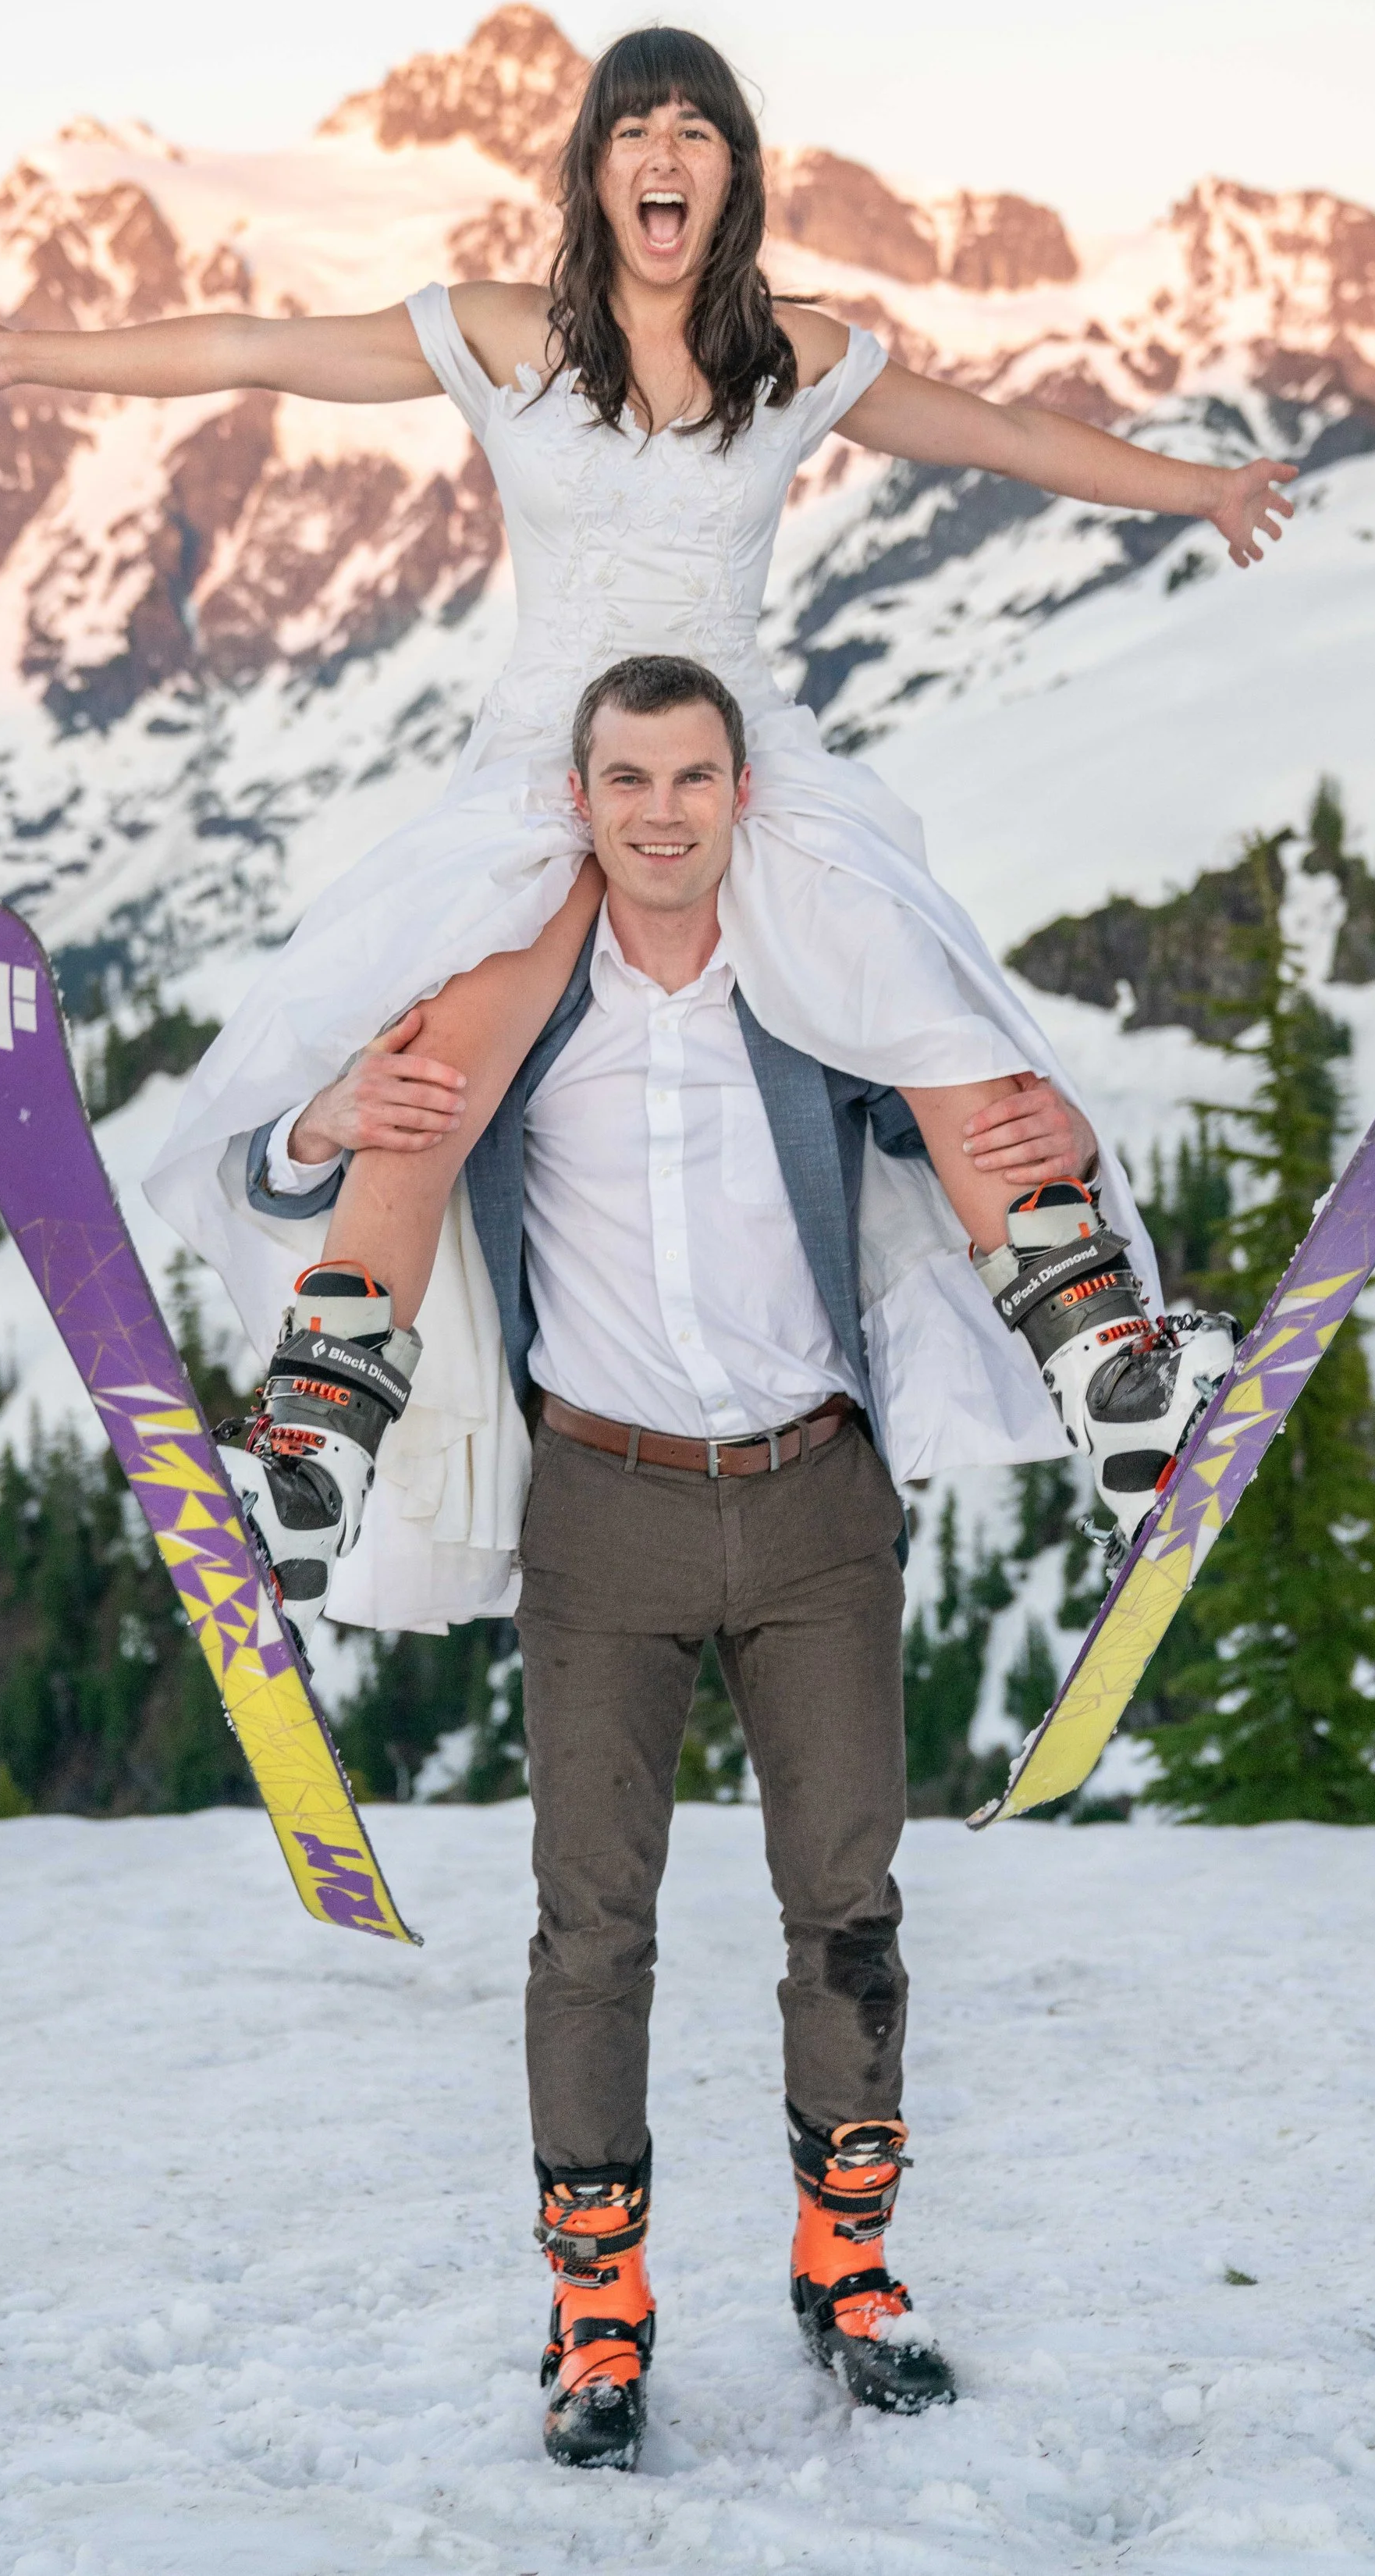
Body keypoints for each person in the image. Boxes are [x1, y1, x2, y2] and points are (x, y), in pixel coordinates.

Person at [0, 22, 1286, 1634]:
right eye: (635, 127)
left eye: (695, 128)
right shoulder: (503, 337)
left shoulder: (794, 351)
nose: (663, 154)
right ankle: (313, 1450)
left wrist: (1194, 492)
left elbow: (1009, 435)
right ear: (594, 168)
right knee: (435, 1051)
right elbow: (257, 344)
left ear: (731, 172)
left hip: (739, 750)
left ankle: (1105, 1370)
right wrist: (24, 358)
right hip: (548, 762)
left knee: (913, 990)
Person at [247, 650, 1115, 2464]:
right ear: (582, 799)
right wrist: (311, 1126)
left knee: (846, 1904)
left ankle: (849, 2273)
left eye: (691, 778)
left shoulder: (810, 995)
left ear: (740, 793)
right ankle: (596, 2312)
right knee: (591, 1926)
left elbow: (964, 1117)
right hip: (600, 1508)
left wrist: (1068, 1138)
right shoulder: (519, 1010)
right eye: (627, 779)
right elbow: (290, 1160)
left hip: (813, 1502)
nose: (659, 811)